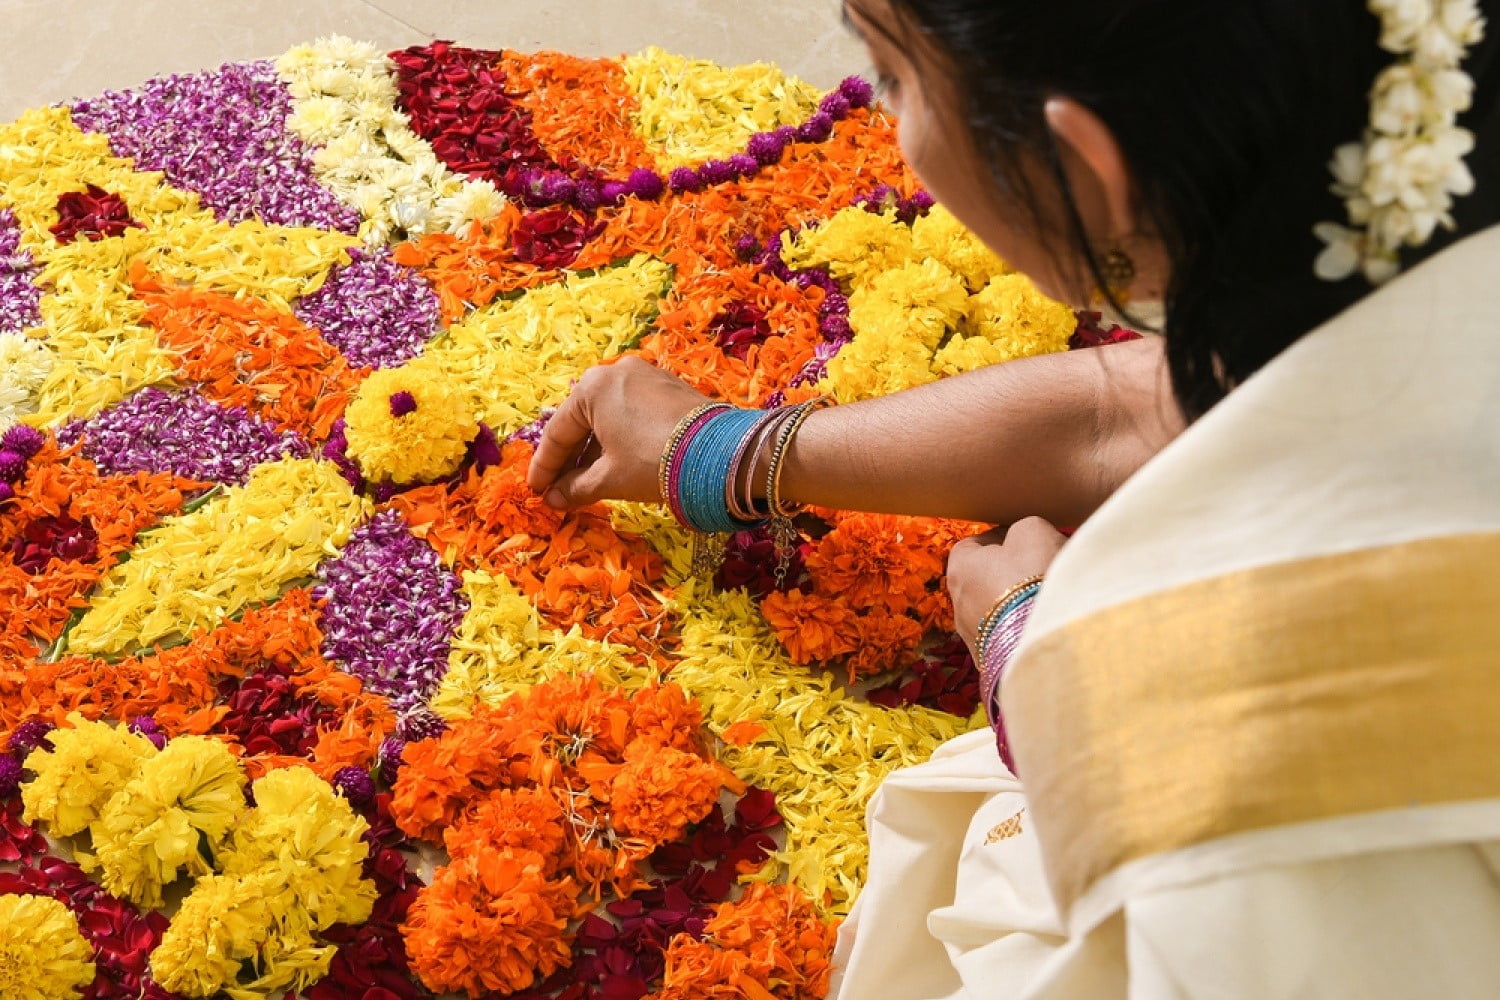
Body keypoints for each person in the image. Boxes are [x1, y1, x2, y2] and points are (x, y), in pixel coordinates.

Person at [530, 0, 1500, 995]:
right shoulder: (1424, 210)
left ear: (1082, 164)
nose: (878, 113)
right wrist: (725, 450)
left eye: (896, 77)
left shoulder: (1246, 704)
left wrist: (1039, 665)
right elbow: (1144, 410)